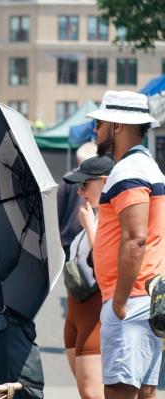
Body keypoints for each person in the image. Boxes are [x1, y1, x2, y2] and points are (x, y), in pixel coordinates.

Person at [88, 91, 163, 399]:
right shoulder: (146, 165)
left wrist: (118, 303)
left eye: (99, 123)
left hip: (130, 300)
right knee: (143, 391)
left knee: (119, 390)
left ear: (117, 125)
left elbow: (136, 239)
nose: (95, 130)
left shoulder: (129, 170)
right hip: (145, 295)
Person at [62, 156, 114, 399]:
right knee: (87, 392)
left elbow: (109, 265)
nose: (80, 192)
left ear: (104, 182)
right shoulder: (94, 216)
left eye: (84, 185)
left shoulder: (113, 217)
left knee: (94, 394)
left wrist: (90, 226)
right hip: (77, 311)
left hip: (95, 311)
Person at [57, 142, 97, 259]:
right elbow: (56, 214)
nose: (81, 191)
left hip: (88, 240)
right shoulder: (68, 181)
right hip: (69, 242)